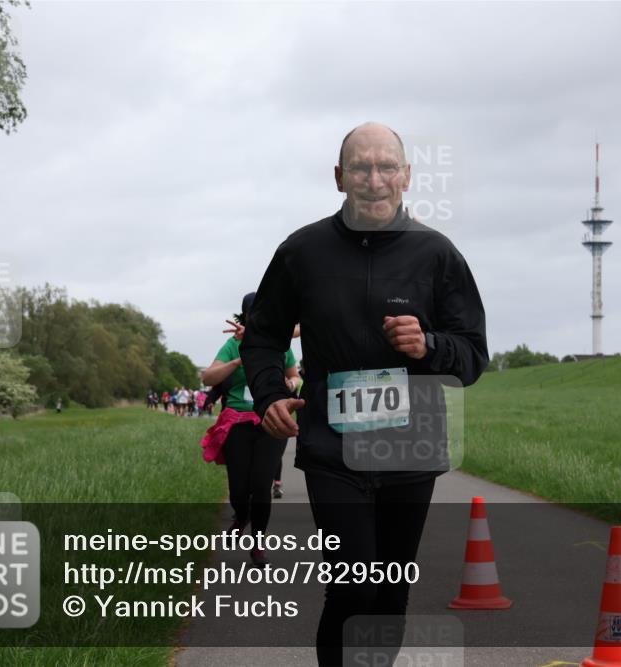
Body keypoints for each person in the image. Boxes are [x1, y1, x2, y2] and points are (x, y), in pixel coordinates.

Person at [241, 122, 487, 666]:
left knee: (389, 592)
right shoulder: (301, 252)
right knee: (352, 589)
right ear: (338, 177)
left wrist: (429, 346)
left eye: (385, 167)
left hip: (412, 447)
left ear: (406, 177)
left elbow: (473, 356)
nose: (373, 179)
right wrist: (267, 396)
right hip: (334, 447)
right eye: (360, 167)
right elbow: (262, 337)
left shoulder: (437, 254)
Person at [202, 292, 300, 566]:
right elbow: (208, 377)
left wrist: (291, 384)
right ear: (245, 316)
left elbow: (294, 377)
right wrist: (238, 361)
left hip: (271, 418)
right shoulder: (233, 345)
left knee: (261, 485)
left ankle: (258, 542)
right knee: (238, 490)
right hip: (238, 422)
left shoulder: (280, 345)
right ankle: (241, 516)